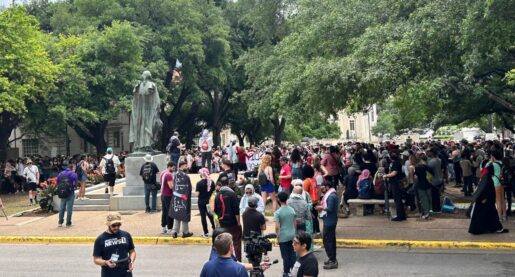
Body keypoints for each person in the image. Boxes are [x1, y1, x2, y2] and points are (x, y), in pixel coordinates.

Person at [468, 153, 509, 235]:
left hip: (486, 195)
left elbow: (483, 172)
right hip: (490, 193)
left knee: (489, 211)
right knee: (492, 209)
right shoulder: (500, 164)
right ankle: (496, 227)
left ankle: (493, 227)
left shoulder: (487, 173)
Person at [93, 213, 136, 277]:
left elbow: (132, 251)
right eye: (113, 225)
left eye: (118, 225)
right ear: (108, 224)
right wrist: (106, 262)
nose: (116, 227)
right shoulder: (100, 239)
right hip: (109, 273)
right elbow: (96, 259)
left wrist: (131, 261)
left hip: (126, 272)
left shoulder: (126, 235)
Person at [214, 170, 243, 261]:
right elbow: (236, 210)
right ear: (228, 183)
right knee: (236, 242)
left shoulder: (218, 195)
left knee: (225, 242)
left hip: (223, 222)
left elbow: (215, 210)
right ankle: (238, 260)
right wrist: (238, 223)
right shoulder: (232, 194)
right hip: (233, 222)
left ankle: (227, 258)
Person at [316, 181, 339, 270]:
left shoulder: (331, 197)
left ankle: (332, 260)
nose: (322, 189)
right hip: (330, 220)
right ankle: (332, 258)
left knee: (327, 240)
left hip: (330, 221)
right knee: (331, 240)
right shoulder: (331, 195)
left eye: (323, 187)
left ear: (327, 187)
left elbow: (329, 209)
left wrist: (321, 208)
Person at [275, 191, 297, 277]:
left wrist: (277, 236)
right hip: (292, 235)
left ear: (279, 200)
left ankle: (286, 272)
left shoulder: (278, 212)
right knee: (292, 254)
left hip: (283, 236)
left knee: (285, 255)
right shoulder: (292, 210)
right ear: (287, 199)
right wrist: (295, 233)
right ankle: (294, 271)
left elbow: (277, 227)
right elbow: (295, 223)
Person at [169, 161, 193, 238]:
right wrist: (187, 197)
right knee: (184, 215)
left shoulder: (174, 175)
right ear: (181, 166)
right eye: (186, 166)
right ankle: (185, 232)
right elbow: (188, 188)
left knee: (177, 214)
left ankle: (175, 231)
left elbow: (173, 186)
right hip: (184, 198)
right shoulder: (186, 176)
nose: (187, 167)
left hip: (176, 197)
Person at [383, 150, 407, 221]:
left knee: (398, 200)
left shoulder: (396, 163)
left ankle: (400, 216)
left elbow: (394, 173)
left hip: (396, 183)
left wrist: (386, 175)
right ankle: (402, 215)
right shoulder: (395, 163)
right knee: (398, 199)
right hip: (395, 182)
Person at [57, 163, 78, 227]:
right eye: (74, 168)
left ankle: (60, 222)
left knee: (62, 207)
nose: (75, 169)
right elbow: (75, 184)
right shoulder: (74, 174)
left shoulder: (60, 174)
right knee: (69, 208)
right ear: (72, 168)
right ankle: (68, 223)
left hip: (62, 192)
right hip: (70, 192)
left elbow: (57, 182)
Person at [197, 168, 216, 238]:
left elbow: (197, 194)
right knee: (211, 216)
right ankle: (214, 229)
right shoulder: (212, 182)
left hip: (201, 202)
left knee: (203, 217)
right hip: (209, 202)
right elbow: (214, 192)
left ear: (202, 174)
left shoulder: (199, 183)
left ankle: (206, 232)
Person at [160, 161, 175, 234]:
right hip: (168, 195)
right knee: (170, 212)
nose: (173, 169)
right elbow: (171, 186)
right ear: (169, 166)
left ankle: (163, 227)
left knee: (164, 211)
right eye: (173, 167)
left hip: (163, 194)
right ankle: (170, 228)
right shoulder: (169, 175)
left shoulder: (163, 172)